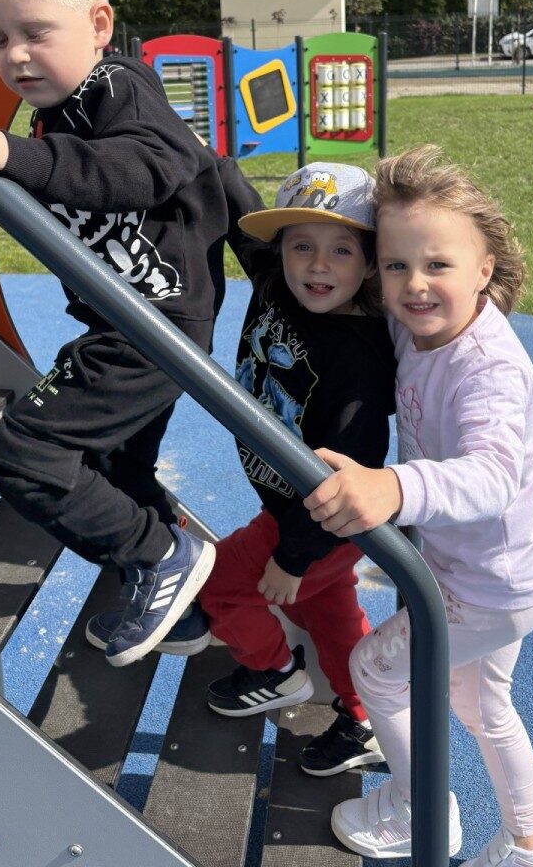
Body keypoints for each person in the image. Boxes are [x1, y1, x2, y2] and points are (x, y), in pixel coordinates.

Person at [0, 0, 262, 668]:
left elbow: (149, 167)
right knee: (115, 468)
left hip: (151, 326)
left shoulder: (119, 89)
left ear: (98, 25)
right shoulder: (58, 112)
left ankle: (158, 555)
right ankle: (184, 608)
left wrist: (15, 155)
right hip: (132, 321)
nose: (15, 54)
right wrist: (2, 147)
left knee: (24, 452)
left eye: (35, 32)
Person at [304, 145, 533, 866]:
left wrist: (393, 487)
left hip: (487, 586)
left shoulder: (489, 369)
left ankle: (418, 808)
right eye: (396, 265)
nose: (415, 285)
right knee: (482, 706)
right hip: (502, 573)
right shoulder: (417, 323)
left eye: (438, 265)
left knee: (375, 670)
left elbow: (494, 474)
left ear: (485, 269)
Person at [198, 163, 398, 777]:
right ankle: (366, 717)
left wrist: (292, 557)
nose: (318, 265)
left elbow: (345, 482)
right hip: (291, 509)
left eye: (342, 250)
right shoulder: (276, 281)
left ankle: (275, 671)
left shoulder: (358, 365)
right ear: (280, 249)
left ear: (370, 264)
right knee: (328, 611)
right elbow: (240, 214)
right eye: (301, 246)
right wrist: (203, 157)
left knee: (217, 585)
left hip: (318, 522)